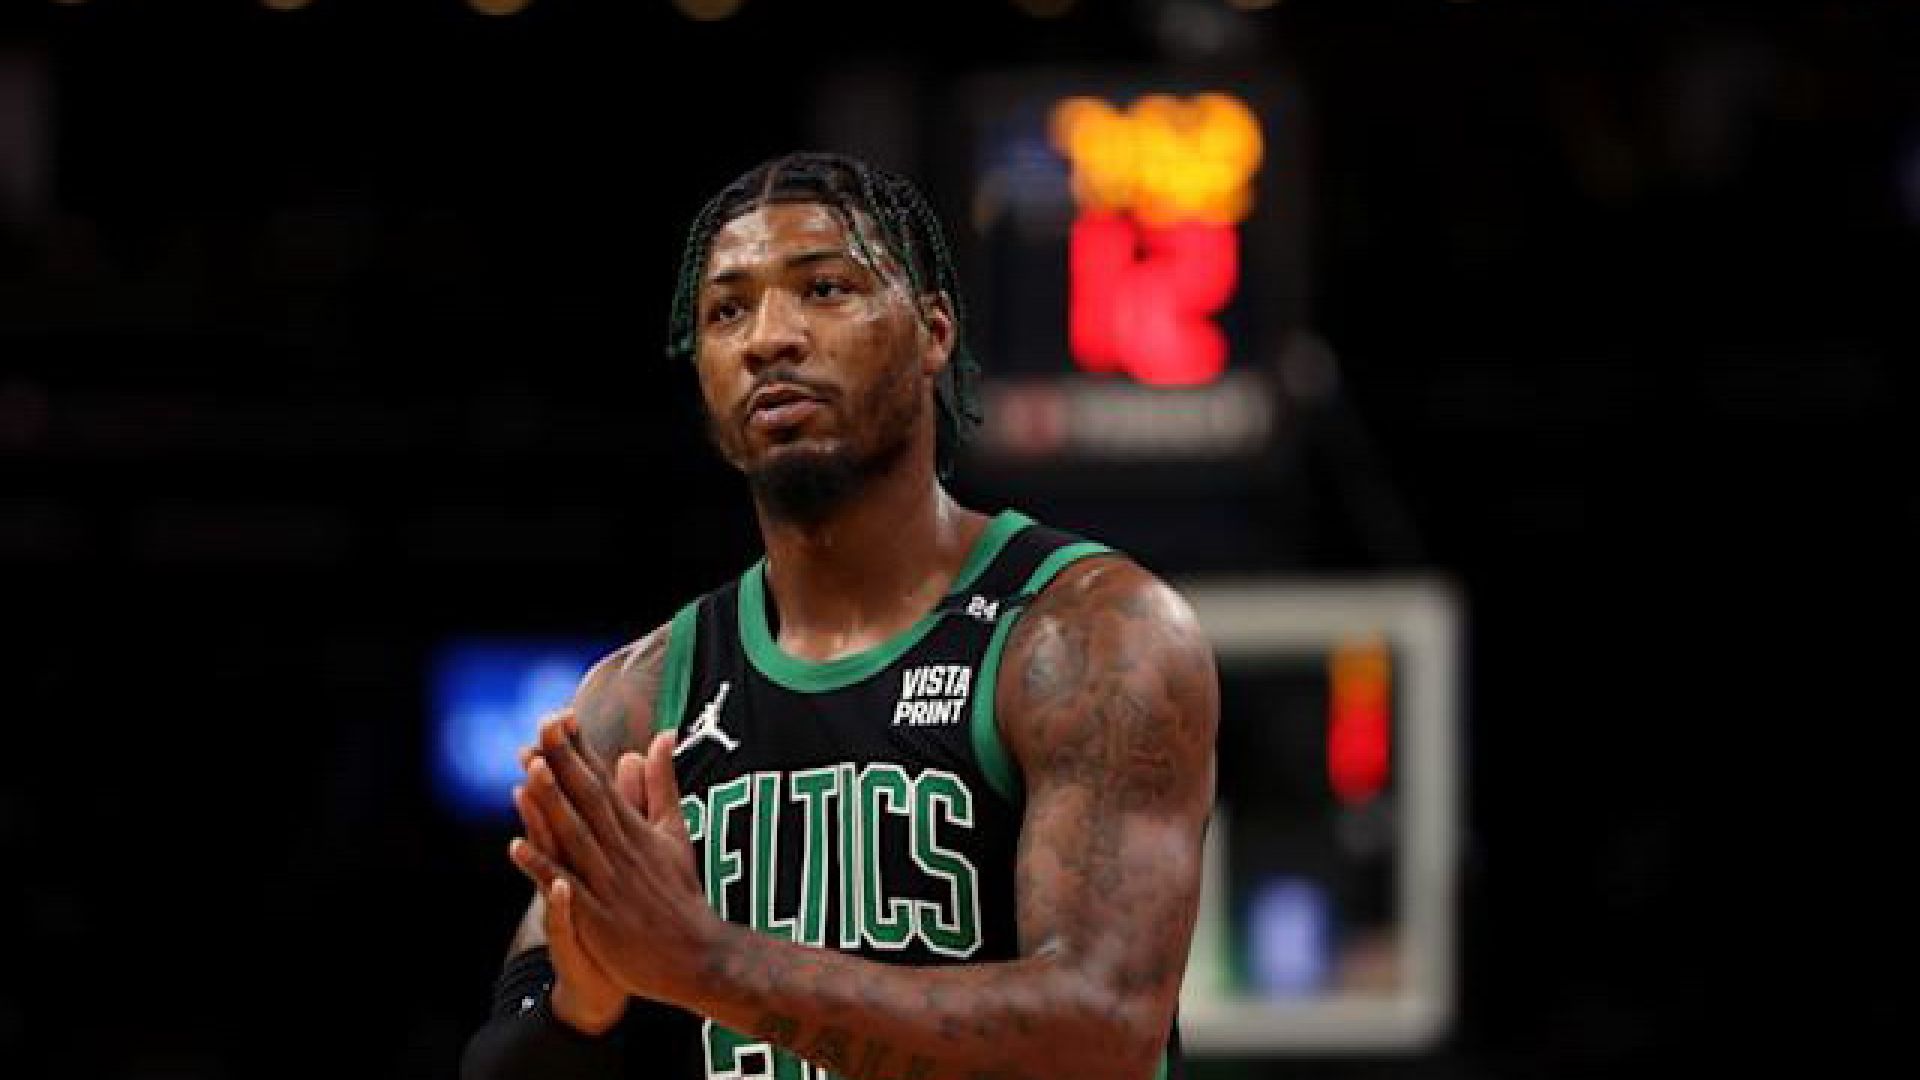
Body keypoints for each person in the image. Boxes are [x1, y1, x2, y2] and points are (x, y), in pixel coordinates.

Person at [460, 151, 1219, 1080]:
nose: (769, 338)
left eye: (824, 289)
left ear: (934, 333)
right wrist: (583, 1001)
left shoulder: (1086, 632)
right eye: (727, 311)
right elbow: (500, 1064)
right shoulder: (643, 695)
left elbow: (1104, 1031)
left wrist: (707, 963)